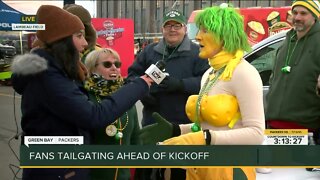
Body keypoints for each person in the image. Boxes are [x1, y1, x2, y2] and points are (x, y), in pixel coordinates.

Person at [10, 5, 152, 180]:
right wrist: (140, 84)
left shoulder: (59, 74)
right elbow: (93, 116)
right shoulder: (47, 76)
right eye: (79, 36)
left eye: (117, 64)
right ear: (62, 41)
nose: (85, 43)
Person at [139, 4, 265, 179]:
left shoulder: (243, 72)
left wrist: (205, 138)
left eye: (205, 31)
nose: (197, 37)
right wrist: (176, 130)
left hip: (230, 170)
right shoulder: (210, 72)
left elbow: (256, 134)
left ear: (224, 35)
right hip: (201, 167)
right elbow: (207, 126)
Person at [127, 9, 209, 179]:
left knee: (180, 171)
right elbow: (131, 77)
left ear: (185, 28)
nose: (172, 29)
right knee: (149, 172)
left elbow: (206, 82)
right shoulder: (149, 52)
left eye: (177, 25)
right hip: (153, 123)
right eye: (168, 25)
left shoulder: (197, 53)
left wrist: (181, 84)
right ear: (162, 29)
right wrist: (142, 92)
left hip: (184, 125)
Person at [84, 48, 141, 180]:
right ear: (92, 69)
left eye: (117, 64)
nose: (114, 68)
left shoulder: (126, 97)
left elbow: (135, 140)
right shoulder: (85, 98)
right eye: (107, 64)